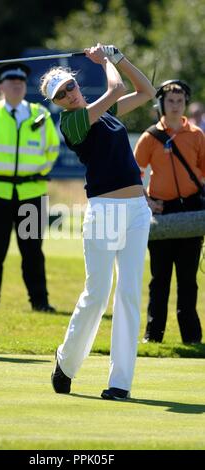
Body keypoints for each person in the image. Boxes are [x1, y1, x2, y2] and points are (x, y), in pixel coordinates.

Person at [40, 43, 156, 400]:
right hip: (104, 211)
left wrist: (119, 58)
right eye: (60, 95)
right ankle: (66, 362)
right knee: (97, 293)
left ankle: (120, 383)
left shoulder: (104, 114)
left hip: (138, 209)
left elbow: (147, 92)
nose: (68, 95)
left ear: (76, 84)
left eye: (69, 87)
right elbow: (117, 88)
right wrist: (106, 60)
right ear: (56, 103)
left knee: (128, 294)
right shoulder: (72, 121)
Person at [0, 63, 60, 313]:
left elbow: (53, 149)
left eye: (21, 82)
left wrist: (39, 171)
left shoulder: (40, 114)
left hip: (31, 194)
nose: (17, 85)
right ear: (1, 87)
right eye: (11, 81)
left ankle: (39, 302)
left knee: (32, 251)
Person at [134, 79, 205, 344]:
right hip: (160, 212)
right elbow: (133, 175)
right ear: (161, 104)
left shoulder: (197, 135)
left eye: (180, 101)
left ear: (185, 103)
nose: (175, 106)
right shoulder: (150, 136)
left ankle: (192, 337)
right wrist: (147, 203)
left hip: (191, 211)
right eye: (170, 101)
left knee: (188, 280)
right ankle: (154, 337)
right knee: (159, 279)